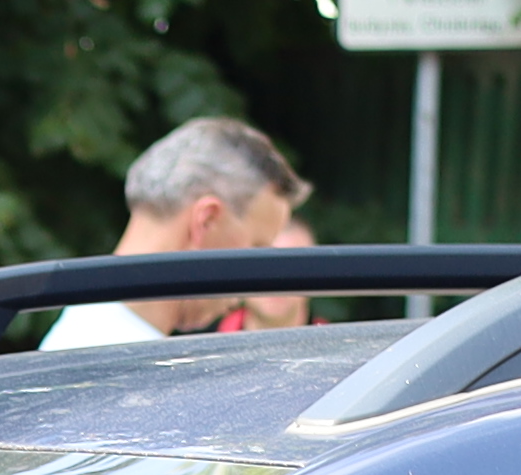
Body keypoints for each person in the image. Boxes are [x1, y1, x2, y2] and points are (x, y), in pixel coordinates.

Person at [41, 117, 319, 343]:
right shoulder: (124, 373)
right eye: (256, 250)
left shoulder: (83, 343)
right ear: (206, 221)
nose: (253, 285)